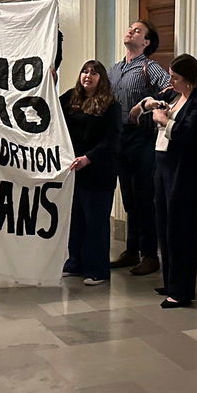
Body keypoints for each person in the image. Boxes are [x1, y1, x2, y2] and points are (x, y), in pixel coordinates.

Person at [129, 53, 197, 308]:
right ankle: (170, 282)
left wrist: (164, 120)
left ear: (188, 78)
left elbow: (189, 135)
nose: (171, 81)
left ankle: (182, 290)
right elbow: (153, 103)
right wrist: (145, 107)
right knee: (164, 225)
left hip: (184, 170)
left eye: (175, 77)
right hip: (164, 166)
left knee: (181, 230)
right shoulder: (174, 94)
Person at [107, 19, 170, 275]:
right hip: (119, 138)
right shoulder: (114, 69)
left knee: (145, 197)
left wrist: (146, 105)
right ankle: (131, 250)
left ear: (146, 42)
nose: (131, 31)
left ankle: (149, 255)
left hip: (142, 138)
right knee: (129, 198)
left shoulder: (150, 68)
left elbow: (169, 91)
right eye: (131, 28)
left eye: (138, 30)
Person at [61, 60, 122, 286]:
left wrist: (89, 158)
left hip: (98, 170)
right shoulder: (70, 98)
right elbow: (50, 112)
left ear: (102, 79)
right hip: (74, 170)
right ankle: (75, 262)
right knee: (76, 219)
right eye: (84, 71)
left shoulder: (111, 106)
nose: (88, 76)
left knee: (95, 221)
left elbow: (112, 140)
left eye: (94, 73)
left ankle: (97, 269)